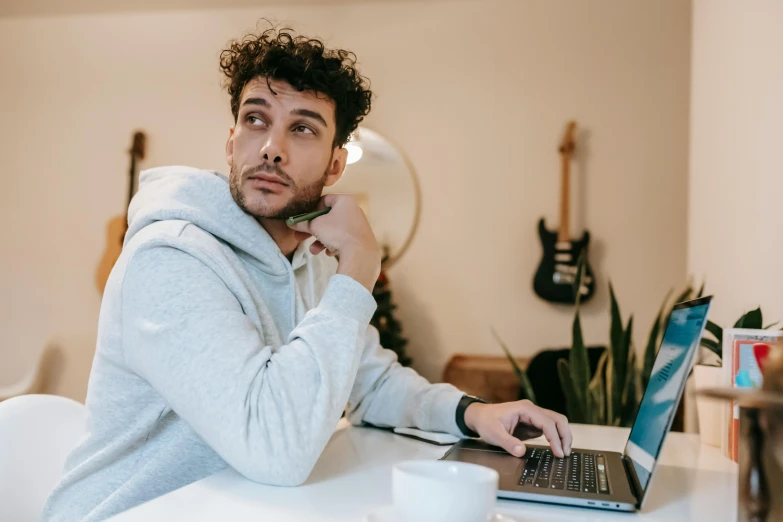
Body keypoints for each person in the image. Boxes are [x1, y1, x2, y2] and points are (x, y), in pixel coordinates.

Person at [42, 21, 572, 522]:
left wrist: (472, 414)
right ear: (232, 145)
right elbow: (275, 448)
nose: (272, 147)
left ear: (336, 166)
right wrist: (360, 266)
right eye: (256, 120)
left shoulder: (307, 259)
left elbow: (371, 382)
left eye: (301, 128)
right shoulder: (169, 259)